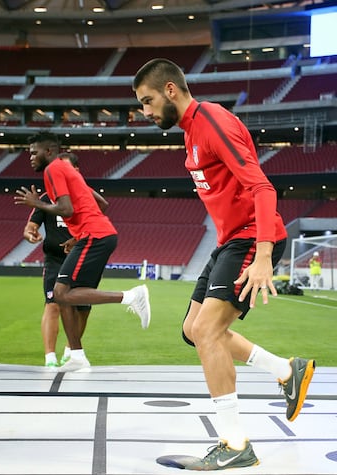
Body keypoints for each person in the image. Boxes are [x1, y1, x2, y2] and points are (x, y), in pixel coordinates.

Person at [133, 59, 315, 470]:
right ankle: (287, 370)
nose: (145, 111)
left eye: (148, 101)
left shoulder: (212, 121)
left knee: (209, 332)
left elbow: (262, 187)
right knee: (192, 331)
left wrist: (264, 254)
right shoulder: (189, 131)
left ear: (171, 91)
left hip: (252, 237)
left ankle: (235, 444)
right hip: (229, 240)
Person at [15, 132, 151, 372]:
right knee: (65, 295)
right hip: (94, 235)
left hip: (95, 236)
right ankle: (76, 355)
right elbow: (96, 205)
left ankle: (131, 296)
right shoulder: (65, 171)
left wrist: (36, 203)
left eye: (34, 152)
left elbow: (65, 209)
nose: (31, 157)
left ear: (49, 152)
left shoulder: (53, 170)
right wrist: (75, 237)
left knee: (61, 293)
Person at [23, 152, 108, 368]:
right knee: (53, 304)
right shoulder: (46, 197)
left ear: (76, 171)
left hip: (82, 258)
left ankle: (71, 352)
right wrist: (30, 233)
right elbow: (31, 225)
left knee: (83, 309)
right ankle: (50, 358)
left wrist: (78, 237)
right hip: (56, 260)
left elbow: (102, 209)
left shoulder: (86, 195)